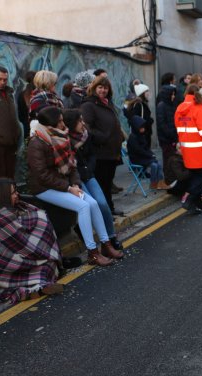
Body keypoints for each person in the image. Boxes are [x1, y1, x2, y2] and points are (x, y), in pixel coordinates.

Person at [27, 106, 123, 266]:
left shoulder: (61, 136)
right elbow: (41, 175)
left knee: (93, 203)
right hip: (44, 188)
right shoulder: (37, 142)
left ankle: (106, 245)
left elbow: (72, 166)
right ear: (50, 125)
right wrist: (68, 188)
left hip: (63, 184)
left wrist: (75, 184)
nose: (63, 124)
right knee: (83, 206)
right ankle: (93, 253)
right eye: (59, 121)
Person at [0, 178, 64, 303]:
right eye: (13, 193)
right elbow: (20, 242)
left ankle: (33, 288)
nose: (17, 194)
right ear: (3, 195)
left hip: (17, 264)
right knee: (47, 265)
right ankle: (31, 289)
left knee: (47, 266)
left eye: (16, 191)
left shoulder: (12, 208)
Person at [62, 109, 123, 250]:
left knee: (103, 204)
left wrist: (89, 168)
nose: (83, 124)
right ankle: (92, 240)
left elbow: (92, 155)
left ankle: (111, 237)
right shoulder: (65, 140)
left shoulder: (85, 135)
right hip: (76, 179)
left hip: (88, 174)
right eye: (80, 121)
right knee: (90, 205)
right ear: (71, 123)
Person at [80, 76, 125, 216]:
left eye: (105, 88)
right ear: (94, 88)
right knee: (101, 185)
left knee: (107, 184)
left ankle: (109, 209)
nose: (103, 90)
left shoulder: (107, 103)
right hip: (100, 153)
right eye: (100, 87)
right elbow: (86, 127)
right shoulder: (88, 105)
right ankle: (104, 213)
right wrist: (103, 137)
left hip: (111, 152)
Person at [174, 84, 202, 215]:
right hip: (200, 151)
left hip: (187, 150)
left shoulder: (179, 109)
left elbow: (179, 130)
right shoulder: (200, 109)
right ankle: (189, 199)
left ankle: (198, 202)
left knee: (195, 175)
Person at [127, 115, 168, 190]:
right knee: (154, 165)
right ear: (136, 127)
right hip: (136, 158)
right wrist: (150, 155)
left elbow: (146, 148)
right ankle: (153, 183)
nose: (143, 129)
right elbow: (138, 150)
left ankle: (161, 183)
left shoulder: (141, 135)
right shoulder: (132, 137)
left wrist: (151, 154)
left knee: (158, 164)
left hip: (143, 157)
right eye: (141, 127)